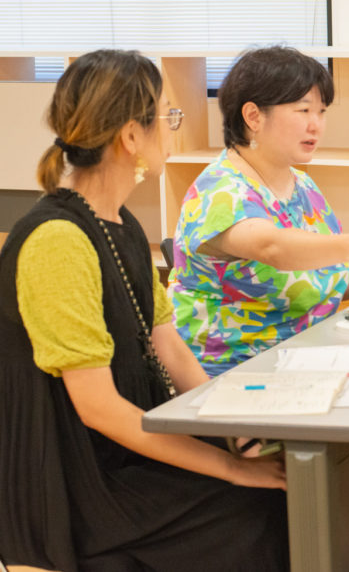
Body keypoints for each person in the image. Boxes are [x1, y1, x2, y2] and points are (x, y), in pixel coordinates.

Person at [0, 50, 287, 571]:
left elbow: (169, 348)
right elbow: (98, 409)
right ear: (131, 136)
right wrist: (230, 467)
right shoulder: (57, 241)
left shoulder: (121, 223)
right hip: (76, 482)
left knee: (294, 484)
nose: (173, 129)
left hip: (125, 450)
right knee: (260, 511)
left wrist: (235, 433)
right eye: (167, 116)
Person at [170, 46, 349, 375]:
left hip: (308, 359)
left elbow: (316, 276)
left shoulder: (301, 185)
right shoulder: (219, 191)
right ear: (253, 116)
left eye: (321, 112)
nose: (316, 125)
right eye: (303, 110)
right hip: (235, 373)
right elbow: (271, 247)